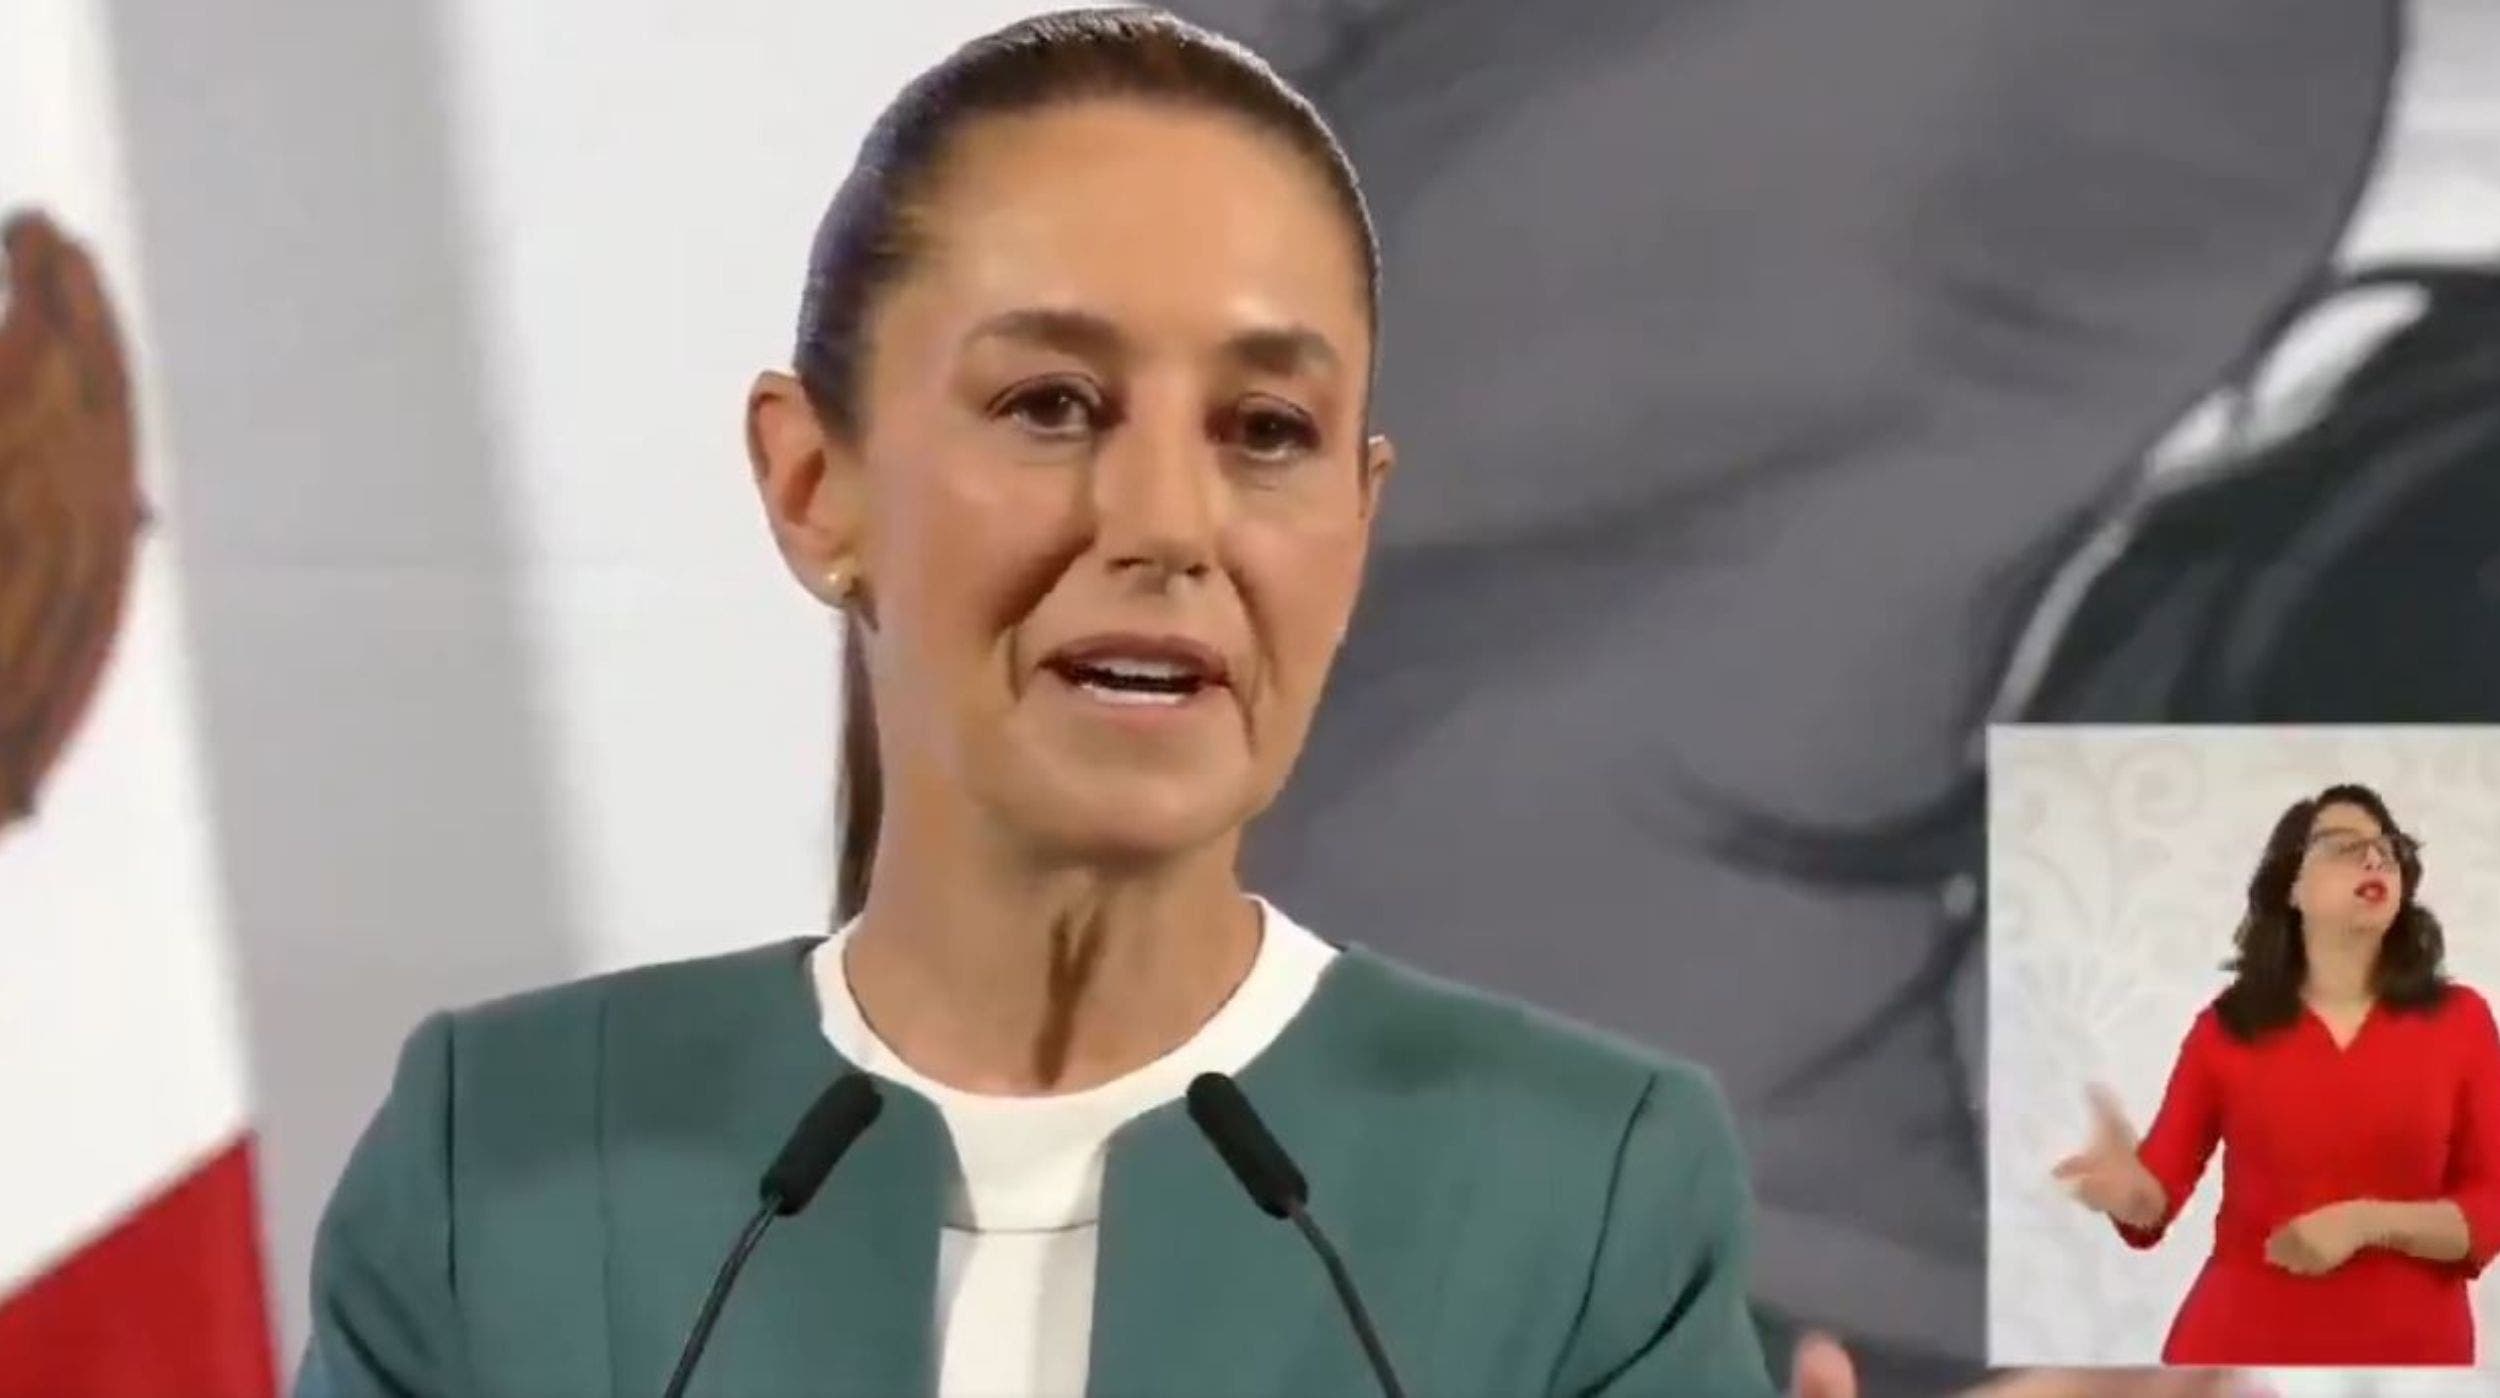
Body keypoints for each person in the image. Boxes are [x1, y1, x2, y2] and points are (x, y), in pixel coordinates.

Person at [296, 9, 2233, 1397]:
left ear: (1357, 514)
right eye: (1052, 404)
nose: (1166, 518)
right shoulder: (509, 1161)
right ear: (814, 484)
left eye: (1266, 432)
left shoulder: (1590, 1184)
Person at [2056, 782, 2500, 1365]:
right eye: (2343, 846)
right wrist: (2127, 1191)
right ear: (2291, 886)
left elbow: (2491, 1204)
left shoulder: (2461, 1020)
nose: (2374, 858)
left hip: (2410, 1360)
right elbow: (2153, 1202)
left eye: (2387, 848)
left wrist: (2367, 1223)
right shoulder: (2227, 1027)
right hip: (2237, 1354)